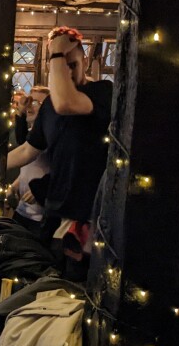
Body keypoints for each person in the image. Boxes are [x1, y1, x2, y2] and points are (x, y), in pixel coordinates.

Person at [7, 27, 112, 259]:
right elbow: (27, 150)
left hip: (88, 216)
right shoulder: (48, 106)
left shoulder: (102, 91)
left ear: (85, 61)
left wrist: (56, 54)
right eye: (62, 66)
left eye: (72, 64)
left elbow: (66, 103)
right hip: (54, 210)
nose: (68, 72)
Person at [7, 86, 50, 239]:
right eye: (29, 102)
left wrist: (41, 189)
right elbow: (30, 167)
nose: (30, 107)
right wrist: (15, 185)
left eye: (36, 103)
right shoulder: (33, 133)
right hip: (22, 210)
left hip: (40, 217)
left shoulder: (51, 136)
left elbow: (59, 170)